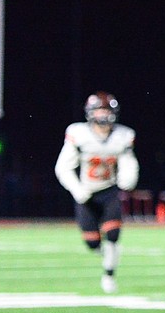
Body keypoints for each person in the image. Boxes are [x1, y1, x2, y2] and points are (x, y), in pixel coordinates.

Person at [54, 91, 138, 294]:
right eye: (99, 110)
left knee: (113, 234)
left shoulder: (123, 135)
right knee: (92, 243)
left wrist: (128, 178)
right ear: (90, 112)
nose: (103, 115)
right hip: (86, 192)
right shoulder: (78, 133)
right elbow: (63, 167)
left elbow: (128, 161)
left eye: (106, 110)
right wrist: (76, 189)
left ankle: (109, 274)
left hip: (109, 191)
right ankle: (106, 253)